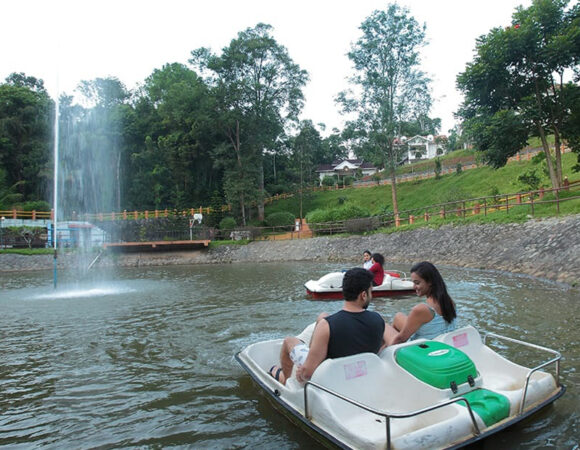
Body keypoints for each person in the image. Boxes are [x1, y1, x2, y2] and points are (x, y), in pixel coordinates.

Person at [269, 268, 386, 385]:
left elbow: (308, 374)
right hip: (360, 375)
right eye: (371, 292)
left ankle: (285, 381)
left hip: (331, 381)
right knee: (322, 317)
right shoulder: (378, 320)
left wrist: (302, 374)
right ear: (364, 295)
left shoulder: (328, 325)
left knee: (289, 341)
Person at [383, 261, 457, 346]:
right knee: (398, 317)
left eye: (417, 283)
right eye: (413, 282)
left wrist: (386, 351)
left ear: (430, 282)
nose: (414, 287)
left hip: (423, 348)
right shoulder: (450, 301)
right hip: (440, 341)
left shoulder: (422, 309)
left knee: (384, 326)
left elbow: (401, 339)